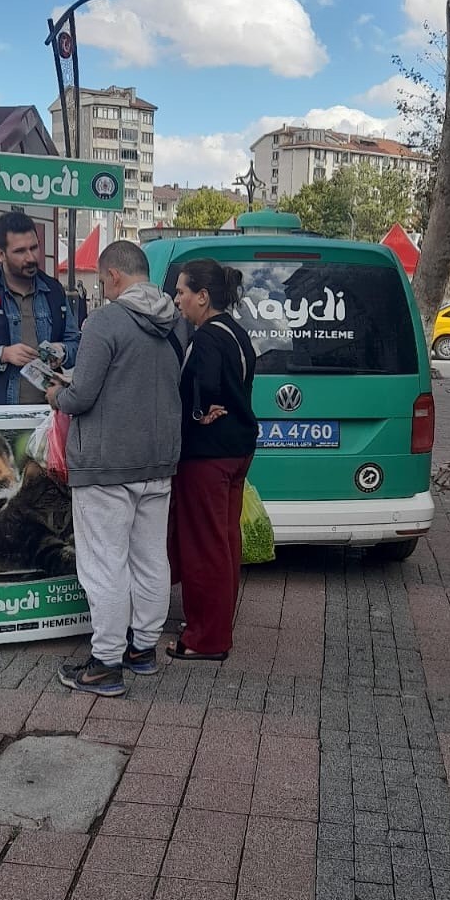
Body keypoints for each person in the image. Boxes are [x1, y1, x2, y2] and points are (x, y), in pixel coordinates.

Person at [47, 240, 183, 696]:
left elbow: (82, 395)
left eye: (103, 279)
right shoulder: (174, 322)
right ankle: (142, 650)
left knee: (105, 564)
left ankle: (105, 663)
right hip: (158, 460)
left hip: (106, 464)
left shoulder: (105, 320)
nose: (103, 287)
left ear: (115, 276)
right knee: (150, 559)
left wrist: (57, 395)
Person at [166, 258, 257, 662]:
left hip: (207, 455)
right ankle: (215, 625)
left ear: (203, 297)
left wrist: (199, 413)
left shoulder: (205, 339)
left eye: (183, 292)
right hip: (238, 450)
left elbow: (199, 388)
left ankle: (206, 638)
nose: (177, 299)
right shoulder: (236, 332)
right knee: (224, 542)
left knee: (203, 547)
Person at [0, 211, 81, 405]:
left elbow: (77, 344)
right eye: (20, 251)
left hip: (44, 416)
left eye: (34, 247)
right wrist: (3, 354)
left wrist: (62, 351)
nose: (31, 257)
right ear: (0, 254)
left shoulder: (54, 291)